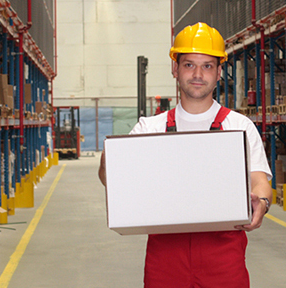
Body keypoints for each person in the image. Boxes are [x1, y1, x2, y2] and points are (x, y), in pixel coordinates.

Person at [99, 22, 272, 287]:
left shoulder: (239, 126)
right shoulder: (150, 128)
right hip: (166, 258)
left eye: (207, 66)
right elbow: (110, 177)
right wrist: (112, 157)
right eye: (189, 64)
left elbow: (260, 179)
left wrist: (262, 202)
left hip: (224, 257)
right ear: (175, 68)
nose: (198, 74)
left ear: (218, 72)